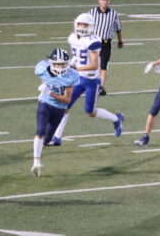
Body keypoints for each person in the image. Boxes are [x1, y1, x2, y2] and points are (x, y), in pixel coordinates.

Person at [49, 13, 123, 144]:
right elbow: (77, 56)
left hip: (91, 81)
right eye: (80, 24)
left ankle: (116, 119)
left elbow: (94, 65)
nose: (82, 27)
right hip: (78, 78)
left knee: (90, 112)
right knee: (65, 106)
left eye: (85, 25)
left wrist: (75, 68)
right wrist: (69, 64)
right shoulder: (73, 38)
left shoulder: (93, 41)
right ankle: (57, 137)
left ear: (91, 26)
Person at [32, 48, 79, 177]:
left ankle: (45, 144)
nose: (60, 66)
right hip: (44, 103)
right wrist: (46, 92)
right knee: (40, 131)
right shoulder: (43, 68)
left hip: (59, 108)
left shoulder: (71, 76)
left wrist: (49, 92)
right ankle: (36, 163)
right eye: (57, 64)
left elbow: (67, 100)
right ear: (52, 63)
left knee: (47, 139)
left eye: (63, 64)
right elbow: (43, 73)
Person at [87, 0, 123, 96]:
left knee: (103, 65)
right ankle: (90, 84)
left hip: (106, 42)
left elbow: (118, 29)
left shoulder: (113, 14)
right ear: (99, 1)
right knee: (92, 64)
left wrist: (120, 41)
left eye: (107, 0)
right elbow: (85, 26)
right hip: (94, 42)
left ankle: (101, 86)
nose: (105, 2)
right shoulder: (91, 12)